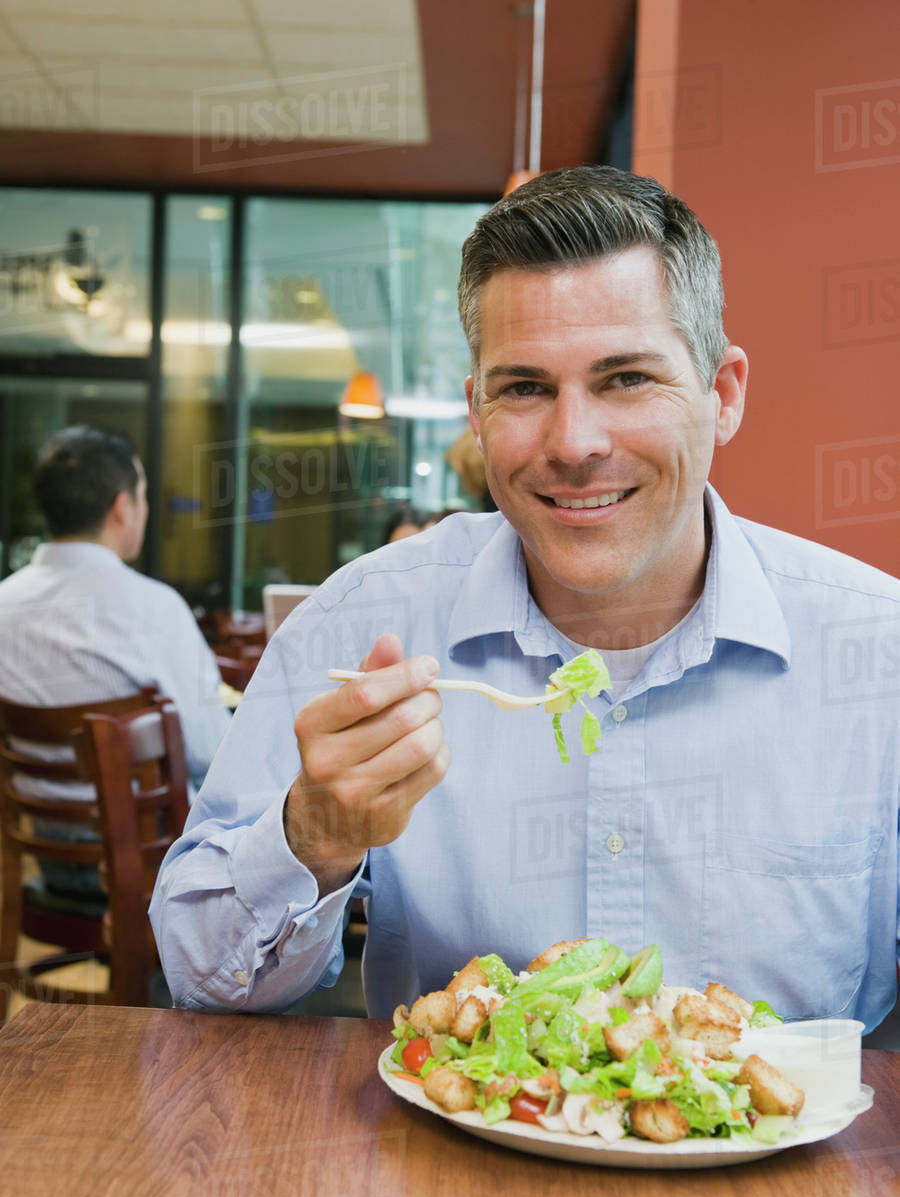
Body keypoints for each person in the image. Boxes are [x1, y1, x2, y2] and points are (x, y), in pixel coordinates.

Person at [150, 167, 899, 1036]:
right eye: (525, 388)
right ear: (476, 412)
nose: (574, 444)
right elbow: (198, 980)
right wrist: (313, 833)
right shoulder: (365, 622)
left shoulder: (874, 655)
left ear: (722, 395)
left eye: (626, 380)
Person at [0, 426, 231, 890]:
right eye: (143, 496)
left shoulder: (5, 604)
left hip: (39, 848)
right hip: (151, 868)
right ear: (123, 508)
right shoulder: (152, 608)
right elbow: (212, 753)